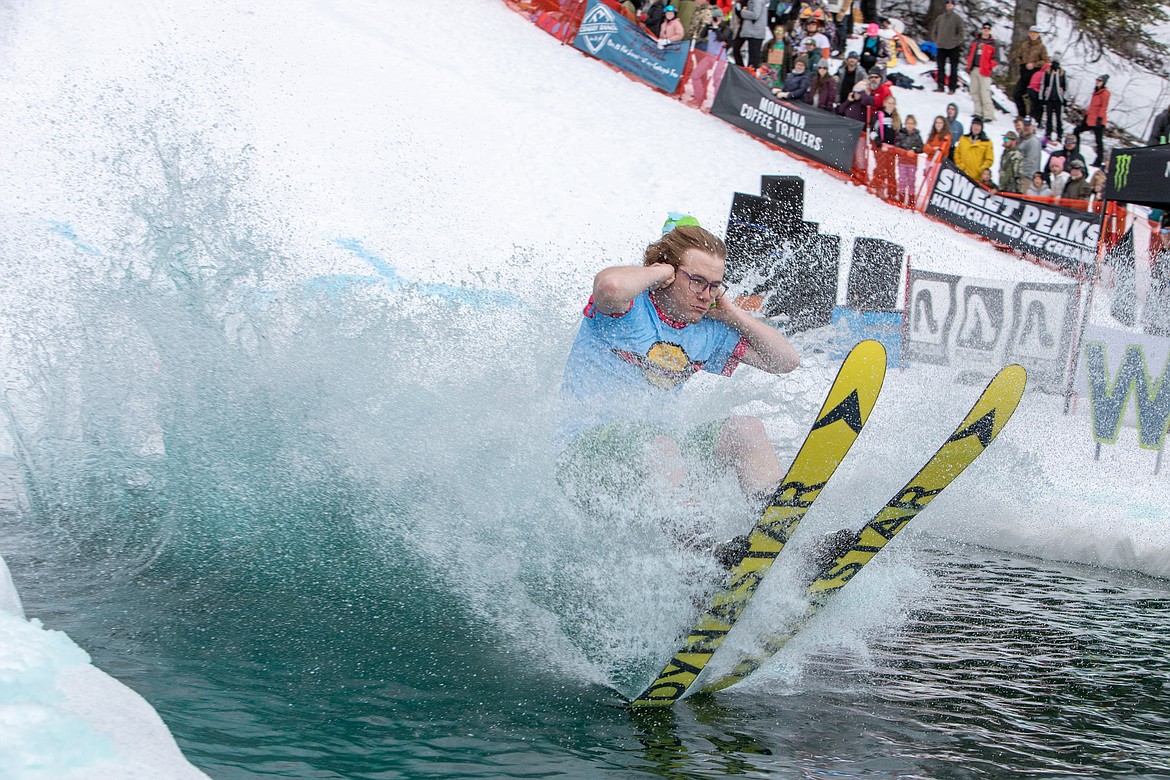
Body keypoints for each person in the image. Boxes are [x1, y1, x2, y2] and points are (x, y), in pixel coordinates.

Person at [558, 217, 800, 555]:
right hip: (584, 453)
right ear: (668, 272)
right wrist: (658, 272)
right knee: (659, 444)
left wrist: (731, 313)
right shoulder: (628, 308)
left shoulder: (709, 330)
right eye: (696, 281)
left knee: (746, 430)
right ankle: (698, 560)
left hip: (658, 453)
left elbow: (785, 361)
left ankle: (784, 542)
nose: (706, 295)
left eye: (715, 285)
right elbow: (609, 287)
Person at [689, 6, 732, 107]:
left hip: (719, 58)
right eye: (714, 17)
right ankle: (698, 98)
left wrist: (716, 28)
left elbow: (722, 38)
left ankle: (717, 105)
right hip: (709, 56)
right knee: (695, 75)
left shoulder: (726, 28)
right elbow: (702, 36)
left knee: (716, 81)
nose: (716, 19)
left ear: (721, 17)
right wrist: (708, 25)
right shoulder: (710, 26)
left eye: (717, 17)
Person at [1010, 25, 1049, 118]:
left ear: (1038, 35)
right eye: (1032, 33)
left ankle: (1034, 117)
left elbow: (1046, 61)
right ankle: (1022, 114)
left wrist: (1034, 64)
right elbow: (1017, 55)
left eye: (1035, 33)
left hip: (1035, 75)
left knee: (1033, 97)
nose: (1033, 35)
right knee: (1017, 94)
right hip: (1024, 73)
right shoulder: (1024, 45)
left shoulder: (1041, 47)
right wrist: (1022, 63)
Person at [966, 21, 1001, 122]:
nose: (986, 30)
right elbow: (970, 54)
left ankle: (988, 114)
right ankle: (978, 112)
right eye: (984, 28)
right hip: (974, 68)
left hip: (985, 71)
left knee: (985, 92)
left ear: (990, 30)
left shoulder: (994, 43)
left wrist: (988, 66)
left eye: (988, 28)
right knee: (974, 91)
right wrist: (969, 65)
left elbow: (996, 59)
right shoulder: (975, 41)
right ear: (982, 29)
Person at [1074, 74, 1110, 166]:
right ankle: (1075, 152)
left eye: (1100, 81)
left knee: (1098, 141)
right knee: (1076, 131)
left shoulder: (1105, 93)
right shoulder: (1096, 92)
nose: (1097, 82)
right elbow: (1092, 107)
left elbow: (1103, 107)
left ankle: (1099, 160)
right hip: (1090, 118)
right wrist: (1086, 117)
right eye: (1097, 80)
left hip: (1098, 120)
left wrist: (1099, 119)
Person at [930, 0, 964, 93]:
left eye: (951, 3)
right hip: (941, 46)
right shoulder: (940, 18)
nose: (949, 5)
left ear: (953, 5)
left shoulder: (957, 18)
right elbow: (934, 30)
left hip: (953, 47)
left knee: (953, 68)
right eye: (947, 3)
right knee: (940, 67)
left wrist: (955, 41)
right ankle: (940, 86)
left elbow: (961, 32)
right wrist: (936, 40)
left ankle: (952, 88)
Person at [870, 94, 900, 199]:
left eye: (892, 103)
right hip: (881, 146)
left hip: (891, 148)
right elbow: (872, 130)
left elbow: (898, 133)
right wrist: (877, 141)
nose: (891, 105)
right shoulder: (879, 115)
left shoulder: (896, 117)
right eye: (889, 103)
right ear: (885, 103)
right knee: (881, 167)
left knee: (891, 170)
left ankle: (892, 193)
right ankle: (879, 187)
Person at [894, 114, 923, 206]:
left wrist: (914, 150)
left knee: (911, 180)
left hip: (912, 162)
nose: (910, 125)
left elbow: (921, 148)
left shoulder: (917, 136)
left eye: (912, 123)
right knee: (902, 180)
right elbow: (897, 145)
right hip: (902, 161)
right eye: (908, 123)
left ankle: (911, 201)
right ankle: (901, 199)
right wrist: (904, 151)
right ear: (905, 124)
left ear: (914, 125)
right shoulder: (901, 134)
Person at [955, 116, 994, 180]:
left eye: (978, 126)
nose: (976, 128)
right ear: (971, 126)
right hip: (962, 175)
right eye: (975, 125)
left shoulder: (987, 142)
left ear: (981, 128)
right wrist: (960, 166)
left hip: (977, 178)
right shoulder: (963, 139)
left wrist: (980, 169)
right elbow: (957, 153)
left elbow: (989, 159)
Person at [732, 0, 768, 68]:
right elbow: (740, 14)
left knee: (753, 59)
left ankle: (749, 74)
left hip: (755, 31)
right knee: (736, 48)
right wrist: (738, 6)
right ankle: (742, 70)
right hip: (747, 29)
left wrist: (743, 12)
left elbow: (755, 15)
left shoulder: (758, 1)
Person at [1039, 59, 1067, 141]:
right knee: (1049, 117)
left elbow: (1065, 86)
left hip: (1059, 98)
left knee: (1059, 118)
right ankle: (1048, 133)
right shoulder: (1047, 72)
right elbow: (1043, 84)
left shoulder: (1062, 73)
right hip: (1049, 98)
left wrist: (1065, 98)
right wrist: (1042, 97)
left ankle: (1059, 135)